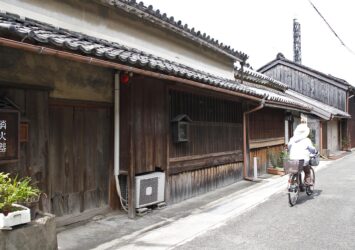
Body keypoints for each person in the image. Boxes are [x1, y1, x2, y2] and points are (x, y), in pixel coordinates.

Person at [287, 119, 317, 185]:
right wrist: (315, 152)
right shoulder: (307, 140)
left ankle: (293, 183)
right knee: (307, 171)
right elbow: (312, 149)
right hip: (302, 160)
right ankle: (307, 182)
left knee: (295, 171)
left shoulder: (292, 139)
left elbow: (288, 147)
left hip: (292, 160)